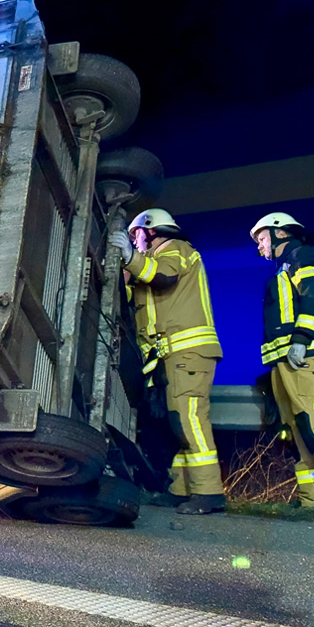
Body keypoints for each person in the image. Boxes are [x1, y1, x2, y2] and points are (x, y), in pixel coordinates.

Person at [110, 208, 225, 515]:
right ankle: (181, 490)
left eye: (137, 236)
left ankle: (209, 492)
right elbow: (138, 293)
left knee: (190, 421)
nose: (135, 242)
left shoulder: (176, 250)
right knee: (178, 423)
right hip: (171, 356)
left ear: (151, 230)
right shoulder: (155, 260)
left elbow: (162, 276)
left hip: (187, 353)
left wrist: (131, 259)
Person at [250, 212, 314, 513]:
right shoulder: (286, 267)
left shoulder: (305, 256)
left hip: (309, 355)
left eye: (262, 238)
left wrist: (302, 340)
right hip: (289, 362)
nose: (259, 246)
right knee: (299, 430)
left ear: (280, 234)